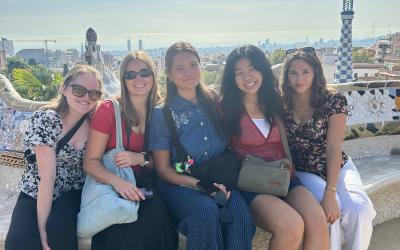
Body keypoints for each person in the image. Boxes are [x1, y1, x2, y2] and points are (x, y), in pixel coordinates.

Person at [220, 45, 329, 250]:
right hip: (251, 185)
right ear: (231, 78)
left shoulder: (277, 101)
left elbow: (311, 98)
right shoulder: (225, 108)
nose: (247, 77)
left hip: (284, 177)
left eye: (252, 69)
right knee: (291, 226)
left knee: (317, 221)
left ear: (262, 70)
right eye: (239, 72)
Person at [149, 41, 255, 250]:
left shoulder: (216, 101)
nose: (188, 73)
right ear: (168, 74)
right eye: (179, 68)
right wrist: (199, 185)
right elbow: (163, 170)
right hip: (180, 182)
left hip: (220, 177)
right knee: (205, 211)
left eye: (193, 65)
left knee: (240, 214)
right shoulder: (164, 113)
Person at [281, 47, 376, 250]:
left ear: (315, 73)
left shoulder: (333, 100)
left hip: (337, 165)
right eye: (293, 73)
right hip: (304, 170)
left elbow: (334, 147)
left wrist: (331, 192)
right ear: (286, 77)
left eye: (305, 71)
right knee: (328, 214)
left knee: (359, 209)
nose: (299, 78)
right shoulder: (282, 103)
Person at [83, 51, 178, 250]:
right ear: (123, 80)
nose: (138, 79)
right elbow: (90, 161)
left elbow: (167, 161)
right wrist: (118, 183)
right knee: (127, 228)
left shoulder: (162, 111)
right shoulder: (110, 110)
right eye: (130, 75)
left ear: (153, 75)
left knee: (158, 220)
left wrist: (140, 158)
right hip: (114, 186)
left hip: (148, 186)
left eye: (144, 72)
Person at [5, 65, 103, 250]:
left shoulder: (94, 123)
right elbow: (47, 179)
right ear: (64, 89)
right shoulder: (46, 119)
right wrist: (42, 232)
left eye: (94, 94)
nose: (86, 98)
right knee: (19, 240)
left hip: (72, 192)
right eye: (79, 90)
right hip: (36, 190)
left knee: (60, 234)